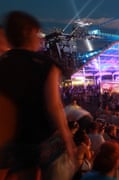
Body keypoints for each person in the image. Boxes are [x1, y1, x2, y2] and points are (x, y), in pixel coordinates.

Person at [0, 11, 75, 179]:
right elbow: (54, 106)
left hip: (12, 141)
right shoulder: (46, 65)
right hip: (40, 138)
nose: (41, 39)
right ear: (29, 32)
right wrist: (66, 136)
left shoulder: (2, 62)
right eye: (38, 34)